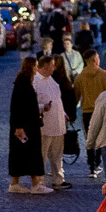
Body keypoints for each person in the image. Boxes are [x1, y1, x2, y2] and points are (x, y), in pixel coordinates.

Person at [77, 49, 106, 178]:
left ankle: (92, 166)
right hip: (102, 110)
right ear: (94, 59)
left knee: (90, 138)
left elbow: (76, 96)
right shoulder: (104, 75)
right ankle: (98, 163)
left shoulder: (80, 77)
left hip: (87, 111)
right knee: (102, 137)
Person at [8, 54, 46, 194]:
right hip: (26, 126)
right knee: (31, 153)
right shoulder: (23, 83)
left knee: (22, 154)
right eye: (35, 66)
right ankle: (35, 183)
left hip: (25, 125)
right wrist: (18, 126)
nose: (37, 69)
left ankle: (17, 183)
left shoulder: (23, 81)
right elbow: (17, 106)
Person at [34, 52, 68, 188]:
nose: (54, 68)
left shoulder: (51, 80)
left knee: (57, 155)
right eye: (52, 66)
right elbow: (29, 104)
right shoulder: (35, 82)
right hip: (45, 125)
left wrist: (64, 113)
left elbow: (57, 99)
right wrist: (42, 107)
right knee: (42, 155)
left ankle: (58, 179)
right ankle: (40, 181)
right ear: (45, 66)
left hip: (58, 123)